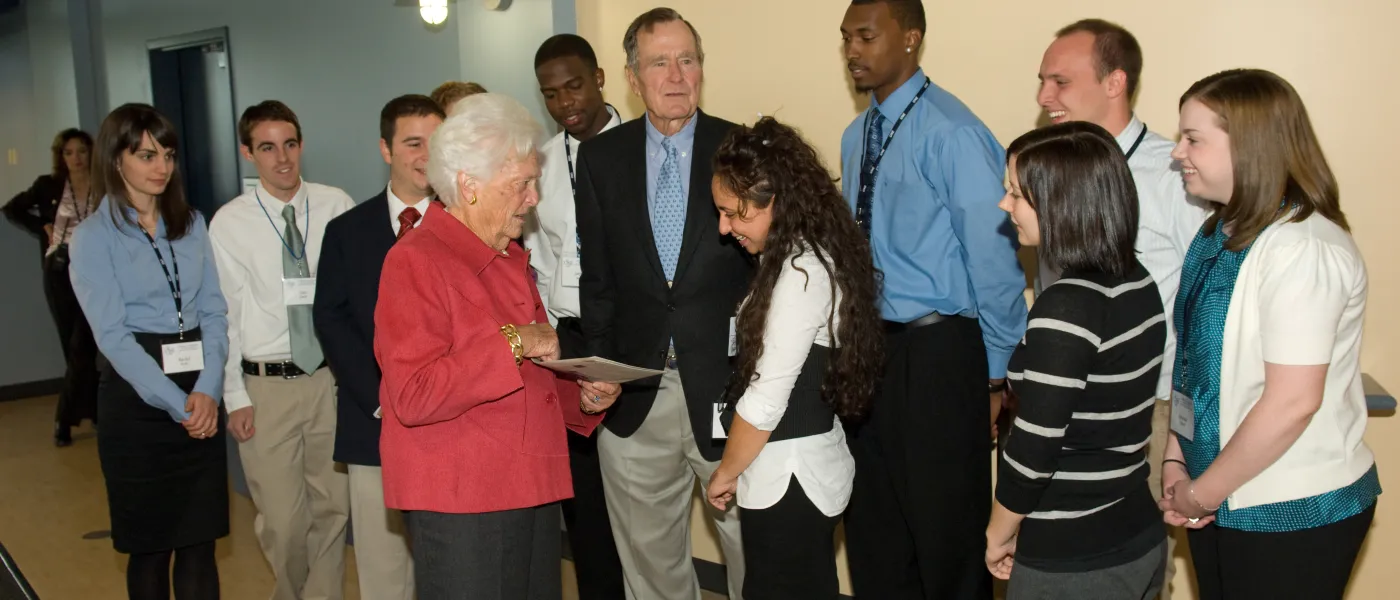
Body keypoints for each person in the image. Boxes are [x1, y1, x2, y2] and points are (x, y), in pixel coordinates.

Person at [375, 92, 619, 600]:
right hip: (462, 493)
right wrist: (513, 340)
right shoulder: (415, 260)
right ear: (469, 186)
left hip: (527, 480)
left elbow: (530, 371)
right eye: (522, 184)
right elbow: (415, 394)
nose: (533, 198)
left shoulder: (506, 255)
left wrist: (582, 396)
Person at [1160, 68, 1381, 600]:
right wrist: (1175, 454)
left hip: (1290, 511)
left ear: (1250, 146)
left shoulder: (1301, 250)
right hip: (1220, 497)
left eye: (1193, 139)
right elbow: (1195, 362)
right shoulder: (1218, 234)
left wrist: (1201, 494)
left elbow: (1292, 403)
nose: (1176, 152)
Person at [837, 1, 1028, 598]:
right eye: (845, 38)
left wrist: (995, 377)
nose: (851, 51)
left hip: (940, 351)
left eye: (866, 36)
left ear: (911, 39)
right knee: (874, 527)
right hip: (872, 352)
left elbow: (996, 263)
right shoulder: (856, 134)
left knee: (947, 536)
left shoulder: (954, 133)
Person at [574, 7, 750, 598]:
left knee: (753, 546)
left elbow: (766, 273)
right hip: (636, 396)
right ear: (632, 76)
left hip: (731, 395)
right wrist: (600, 371)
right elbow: (597, 282)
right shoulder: (600, 160)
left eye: (688, 59)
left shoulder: (742, 150)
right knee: (650, 567)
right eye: (659, 62)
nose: (676, 75)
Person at [1034, 22, 1211, 594]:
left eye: (1060, 81)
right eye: (1041, 82)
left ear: (1116, 82)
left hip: (1149, 407)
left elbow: (1209, 294)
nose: (1043, 97)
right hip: (1061, 410)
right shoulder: (1051, 170)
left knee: (1130, 565)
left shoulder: (1175, 175)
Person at [702, 117, 883, 600]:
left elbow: (765, 400)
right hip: (786, 473)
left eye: (735, 214)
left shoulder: (801, 273)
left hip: (791, 481)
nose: (724, 228)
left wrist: (725, 472)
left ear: (776, 203)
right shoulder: (790, 261)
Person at [985, 122, 1168, 599]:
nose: (1005, 206)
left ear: (1061, 203)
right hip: (1133, 529)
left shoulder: (1067, 306)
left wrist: (997, 533)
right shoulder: (1135, 278)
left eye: (1017, 195)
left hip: (1075, 559)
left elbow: (1033, 451)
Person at [69, 102, 230, 599]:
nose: (161, 166)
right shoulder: (94, 236)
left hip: (198, 393)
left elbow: (215, 313)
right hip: (139, 400)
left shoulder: (193, 222)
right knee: (151, 549)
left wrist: (207, 390)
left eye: (168, 154)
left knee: (200, 544)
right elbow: (113, 337)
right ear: (116, 160)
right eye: (146, 155)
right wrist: (175, 401)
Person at [209, 100, 354, 600]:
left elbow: (354, 299)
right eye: (267, 148)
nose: (282, 158)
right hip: (265, 388)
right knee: (286, 522)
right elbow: (223, 315)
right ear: (249, 153)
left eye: (290, 144)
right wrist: (234, 396)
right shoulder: (230, 223)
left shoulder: (336, 204)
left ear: (301, 145)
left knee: (334, 510)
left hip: (328, 382)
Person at [314, 93, 444, 600]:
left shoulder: (465, 227)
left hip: (447, 424)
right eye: (413, 143)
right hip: (374, 424)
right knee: (383, 566)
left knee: (448, 558)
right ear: (386, 150)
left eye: (436, 143)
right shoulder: (347, 231)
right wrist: (381, 400)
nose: (426, 156)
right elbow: (332, 319)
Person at [523, 33, 626, 600]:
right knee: (583, 500)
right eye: (551, 94)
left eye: (575, 85)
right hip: (570, 338)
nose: (566, 103)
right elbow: (536, 258)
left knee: (635, 492)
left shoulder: (640, 148)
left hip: (631, 340)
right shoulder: (539, 163)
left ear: (601, 77)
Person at [3, 128, 101, 446]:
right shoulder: (48, 185)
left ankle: (66, 416)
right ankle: (87, 411)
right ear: (61, 156)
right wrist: (41, 226)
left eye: (82, 151)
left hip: (95, 272)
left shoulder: (104, 185)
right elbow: (12, 209)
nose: (76, 158)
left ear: (91, 153)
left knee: (85, 344)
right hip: (59, 270)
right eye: (69, 152)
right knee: (71, 344)